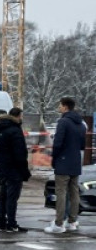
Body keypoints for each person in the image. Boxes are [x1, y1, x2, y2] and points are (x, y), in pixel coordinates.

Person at [45, 96, 87, 234]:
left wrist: (54, 158)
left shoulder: (63, 122)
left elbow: (57, 143)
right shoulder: (81, 124)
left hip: (63, 161)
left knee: (61, 192)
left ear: (65, 107)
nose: (59, 107)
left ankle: (58, 223)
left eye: (60, 105)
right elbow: (82, 145)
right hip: (75, 162)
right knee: (74, 192)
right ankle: (72, 221)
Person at [0, 107, 31, 233]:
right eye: (21, 116)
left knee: (2, 197)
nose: (22, 119)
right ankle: (12, 224)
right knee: (12, 198)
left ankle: (1, 223)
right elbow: (20, 153)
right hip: (14, 169)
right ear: (17, 116)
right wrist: (24, 170)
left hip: (2, 168)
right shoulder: (15, 131)